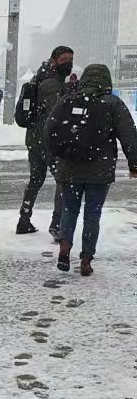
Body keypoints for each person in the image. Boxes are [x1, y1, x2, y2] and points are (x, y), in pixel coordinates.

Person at [46, 63, 137, 275]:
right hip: (100, 167)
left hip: (70, 167)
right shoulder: (113, 103)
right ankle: (86, 259)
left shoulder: (67, 101)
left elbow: (49, 130)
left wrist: (57, 155)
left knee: (69, 210)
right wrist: (134, 163)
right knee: (92, 214)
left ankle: (64, 249)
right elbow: (129, 136)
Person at [16, 45, 74, 237]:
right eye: (64, 60)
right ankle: (57, 225)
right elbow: (55, 113)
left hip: (34, 139)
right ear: (54, 61)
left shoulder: (41, 77)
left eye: (70, 59)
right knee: (63, 181)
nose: (68, 63)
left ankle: (24, 220)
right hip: (48, 141)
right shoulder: (52, 83)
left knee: (36, 179)